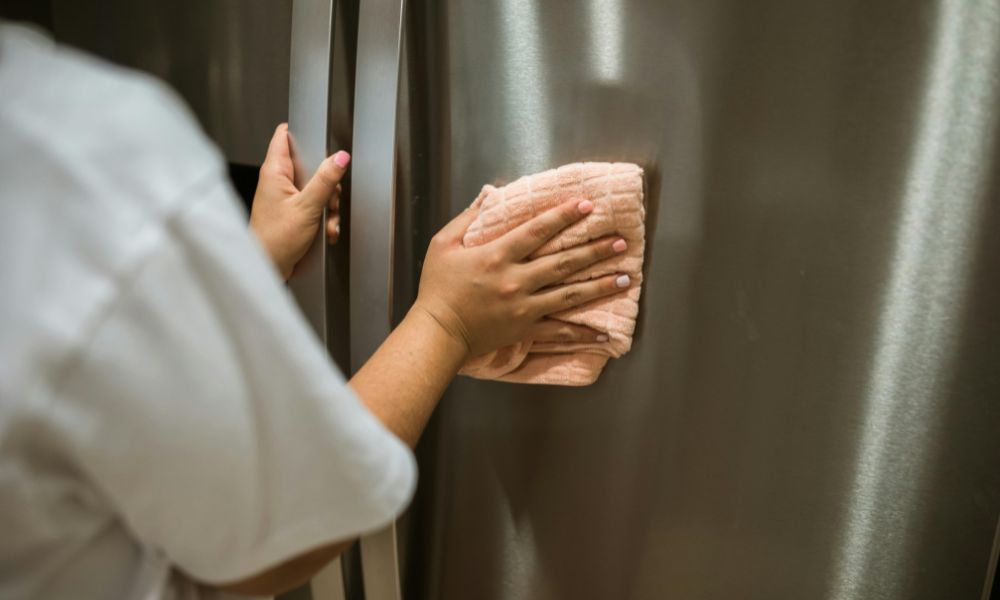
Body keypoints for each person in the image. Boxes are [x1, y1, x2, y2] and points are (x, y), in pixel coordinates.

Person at [0, 22, 630, 599]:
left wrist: (246, 266)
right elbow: (276, 538)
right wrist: (446, 324)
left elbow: (94, 392)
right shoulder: (77, 153)